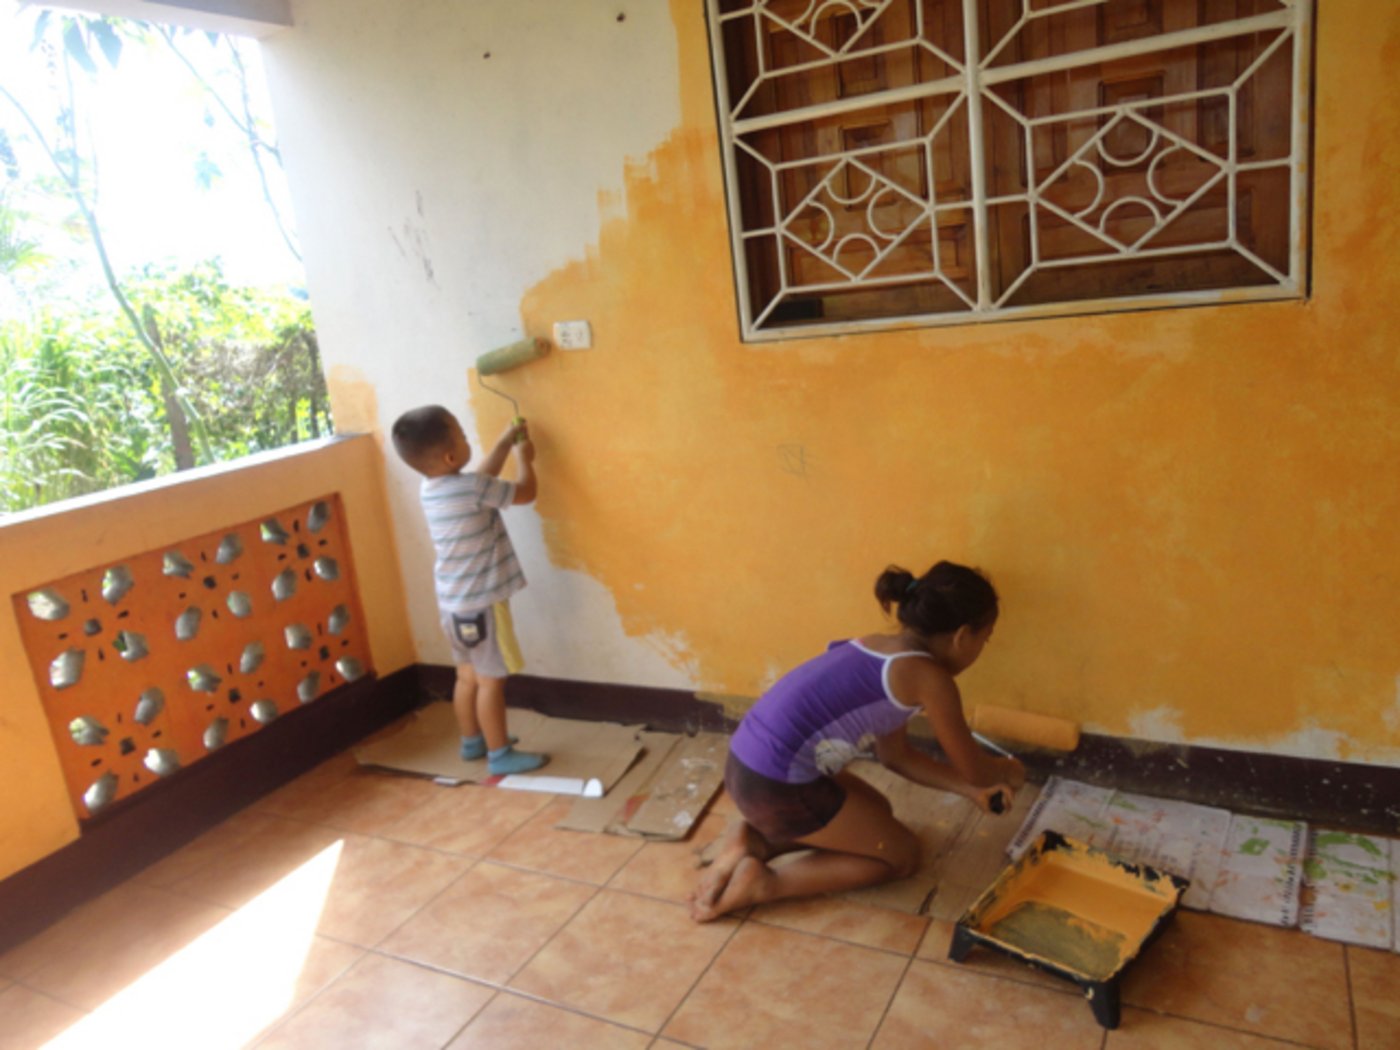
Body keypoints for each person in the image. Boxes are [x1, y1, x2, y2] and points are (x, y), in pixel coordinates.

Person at [689, 560, 1024, 922]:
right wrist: (1006, 769)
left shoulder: (878, 649)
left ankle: (756, 840)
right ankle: (765, 884)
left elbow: (896, 757)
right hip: (776, 787)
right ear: (962, 636)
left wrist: (969, 791)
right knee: (902, 856)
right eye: (984, 639)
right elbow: (975, 768)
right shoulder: (930, 679)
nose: (981, 649)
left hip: (747, 765)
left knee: (878, 810)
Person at [390, 404, 547, 775]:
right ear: (449, 455)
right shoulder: (472, 488)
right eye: (461, 434)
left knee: (466, 676)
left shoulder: (432, 488)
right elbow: (524, 492)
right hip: (485, 605)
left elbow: (480, 483)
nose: (465, 438)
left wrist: (504, 444)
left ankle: (472, 742)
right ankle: (499, 754)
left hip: (453, 607)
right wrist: (525, 457)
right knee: (492, 681)